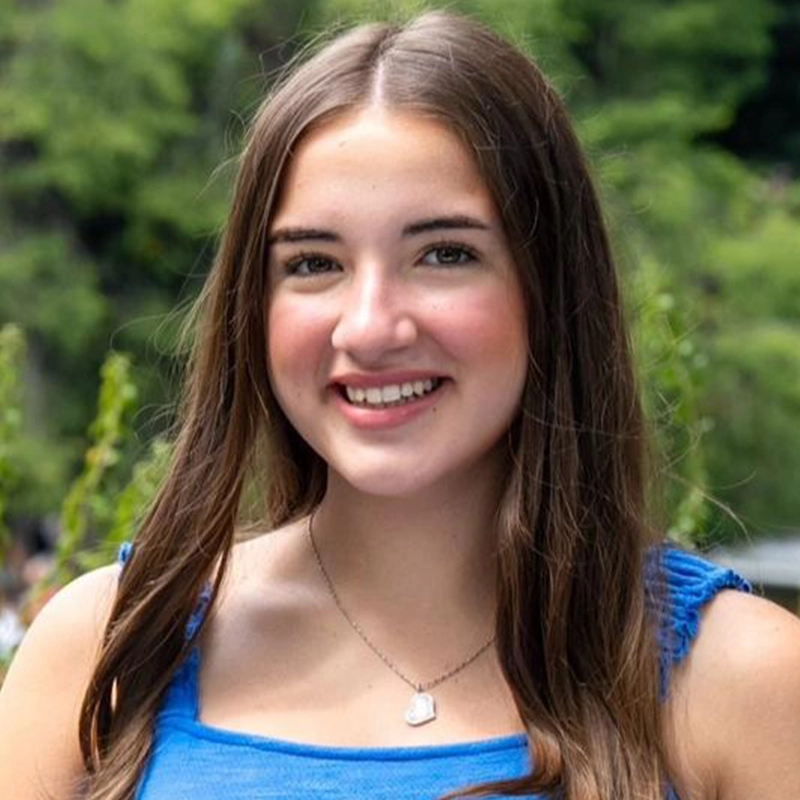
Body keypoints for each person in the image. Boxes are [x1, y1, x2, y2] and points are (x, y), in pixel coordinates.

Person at [1, 10, 799, 800]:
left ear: (550, 288)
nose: (372, 326)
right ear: (255, 306)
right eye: (314, 263)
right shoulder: (109, 649)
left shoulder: (742, 680)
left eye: (445, 254)